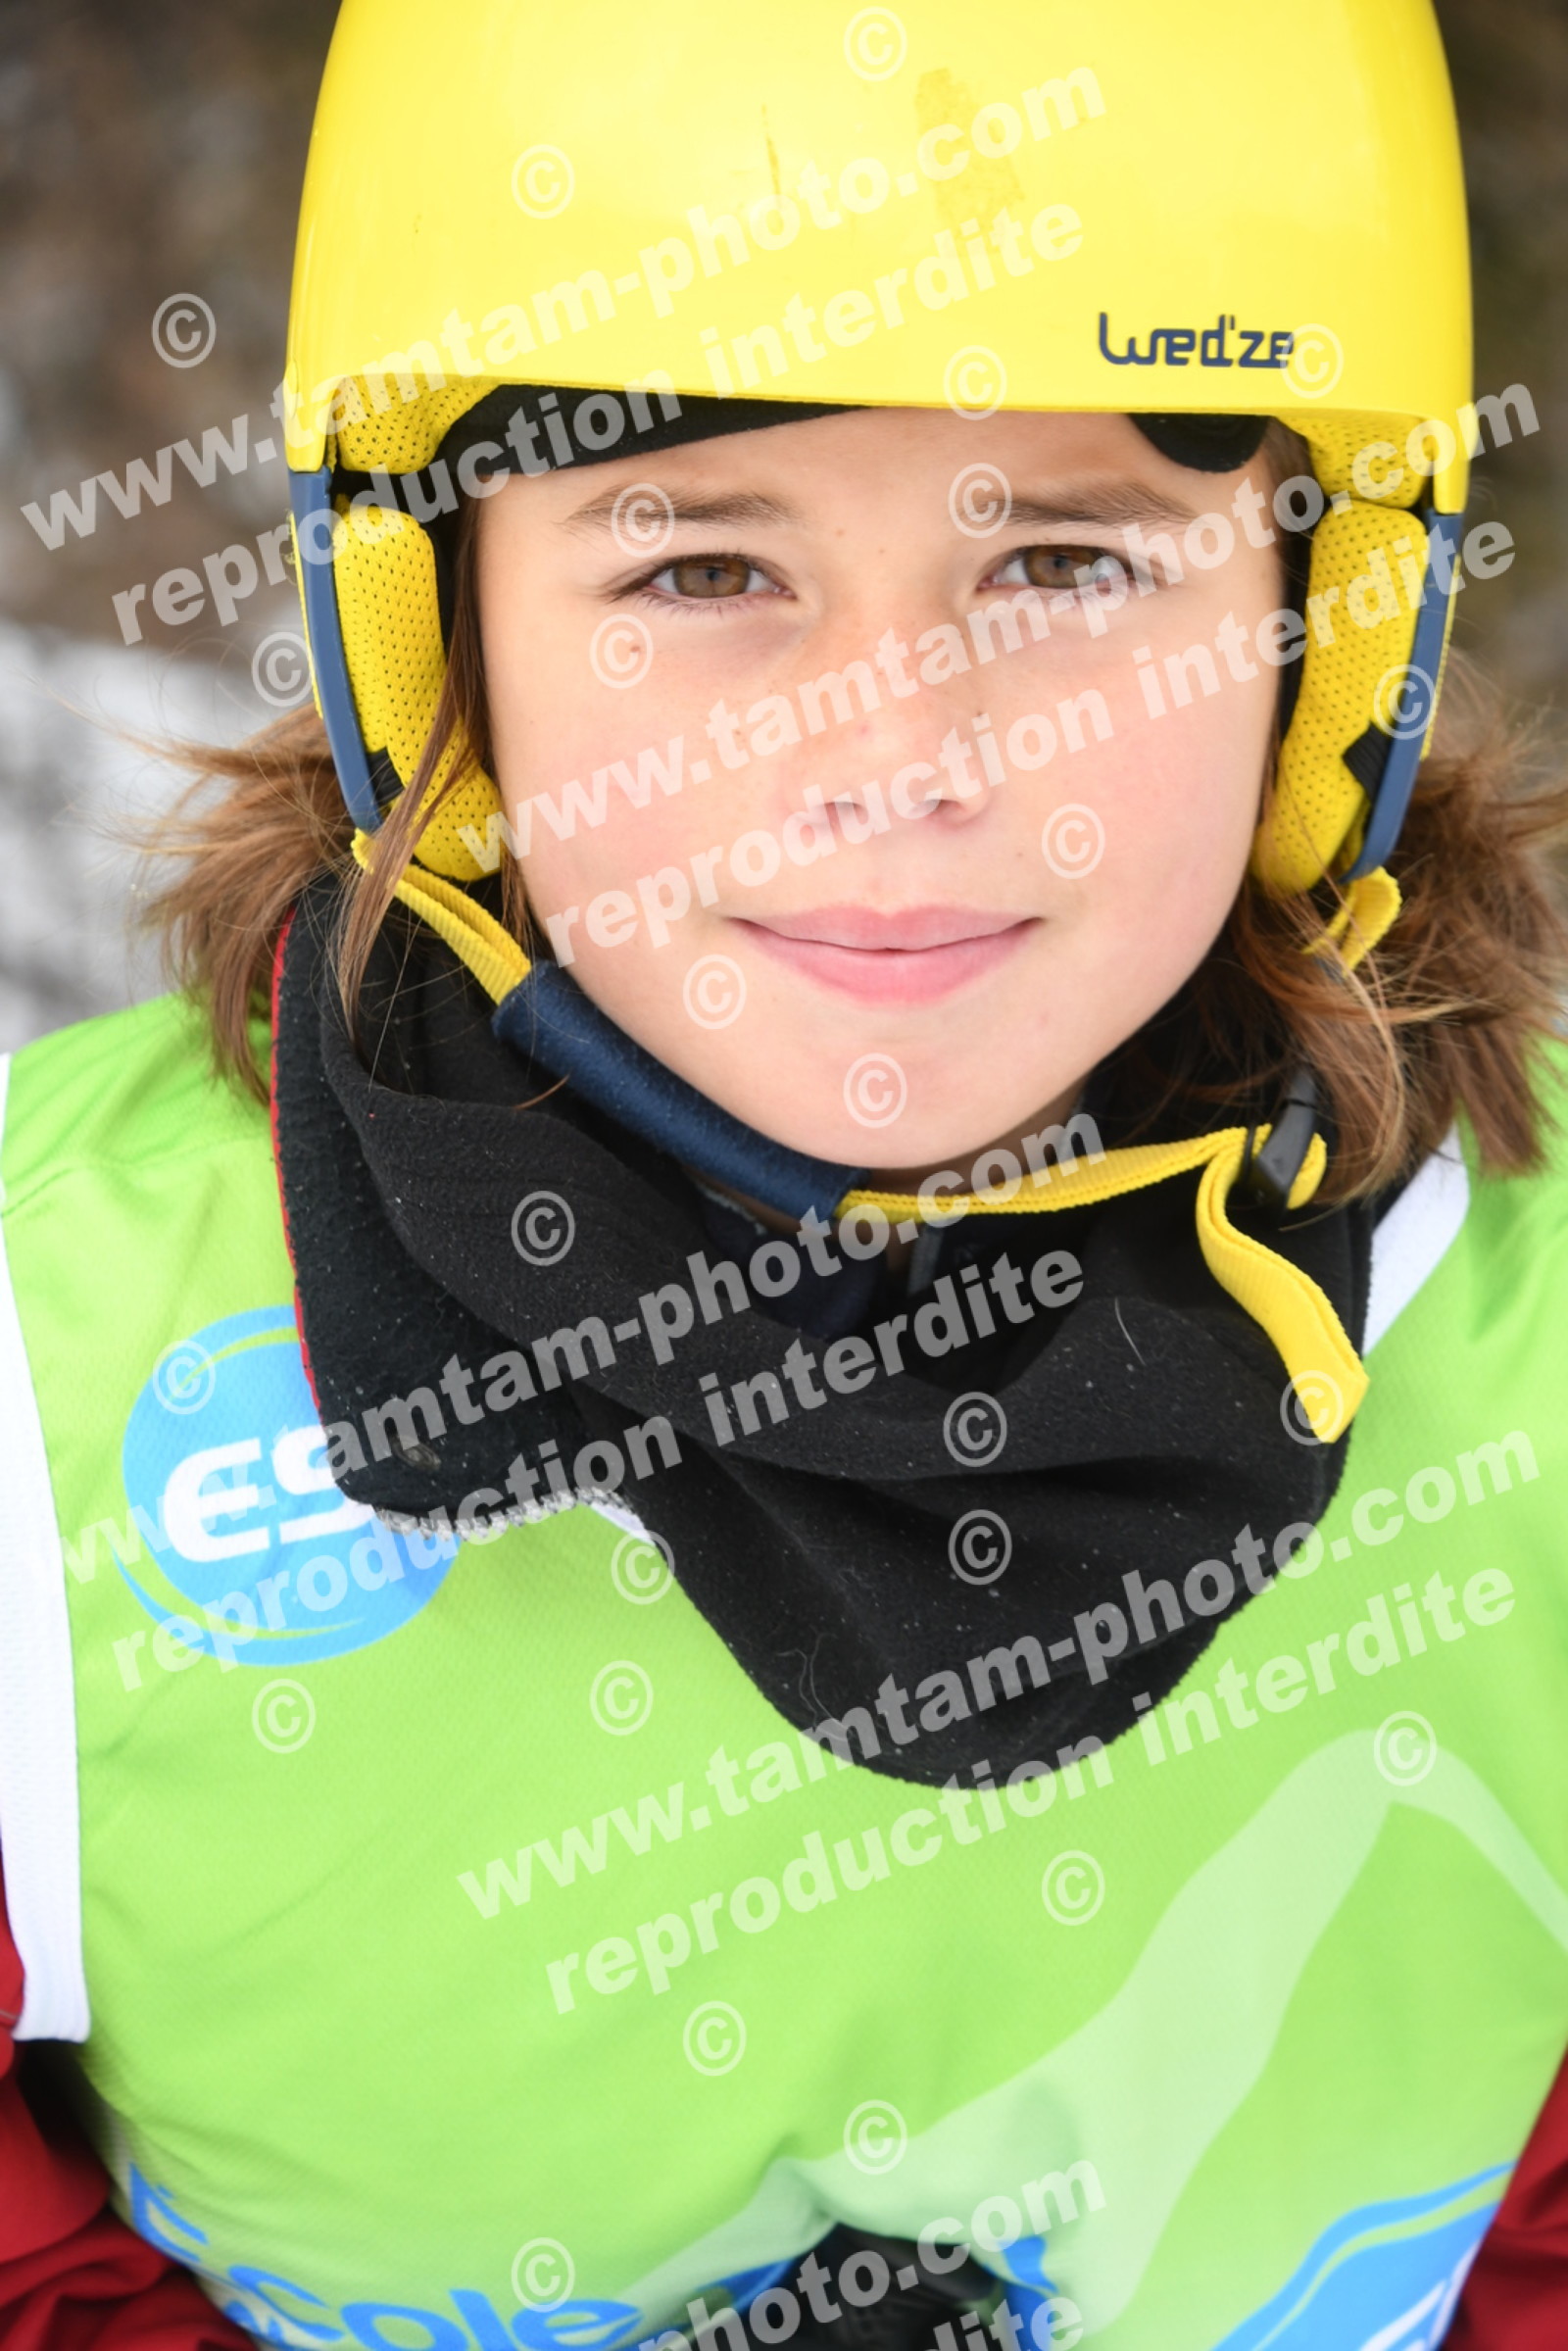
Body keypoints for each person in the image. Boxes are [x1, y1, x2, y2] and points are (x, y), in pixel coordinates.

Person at [3, 0, 1568, 2344]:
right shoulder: (42, 1374)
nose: (894, 757)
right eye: (700, 572)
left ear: (1315, 638)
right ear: (436, 641)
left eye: (1065, 562)